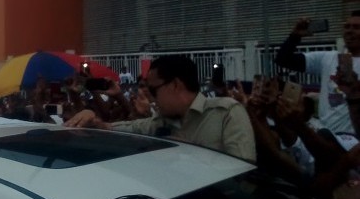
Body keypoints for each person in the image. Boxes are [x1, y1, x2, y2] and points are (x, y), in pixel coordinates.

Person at [65, 55, 256, 161]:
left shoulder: (227, 114)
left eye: (153, 90)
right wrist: (93, 120)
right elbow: (121, 129)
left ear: (175, 85)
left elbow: (242, 177)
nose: (151, 97)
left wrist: (191, 154)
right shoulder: (160, 122)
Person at [275, 13, 360, 135]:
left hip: (353, 140)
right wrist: (295, 36)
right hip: (325, 136)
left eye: (356, 27)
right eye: (347, 26)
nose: (350, 31)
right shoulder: (328, 57)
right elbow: (283, 59)